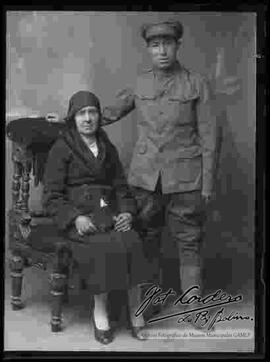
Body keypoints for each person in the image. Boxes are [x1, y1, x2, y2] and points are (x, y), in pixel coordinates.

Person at [101, 20, 218, 321]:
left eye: (167, 43)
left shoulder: (196, 83)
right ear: (148, 49)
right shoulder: (140, 83)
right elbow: (109, 113)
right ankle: (150, 302)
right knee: (146, 241)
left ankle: (193, 308)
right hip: (146, 179)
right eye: (155, 45)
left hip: (187, 179)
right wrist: (70, 116)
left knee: (189, 241)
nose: (162, 50)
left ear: (178, 45)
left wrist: (207, 183)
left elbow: (210, 136)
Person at [42, 91, 151, 344]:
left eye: (93, 112)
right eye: (82, 113)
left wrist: (126, 211)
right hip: (79, 220)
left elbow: (121, 186)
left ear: (99, 116)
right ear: (73, 118)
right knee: (102, 247)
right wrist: (74, 218)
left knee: (133, 241)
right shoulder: (62, 147)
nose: (88, 119)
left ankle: (137, 314)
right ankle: (100, 313)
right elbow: (52, 196)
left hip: (107, 214)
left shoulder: (106, 146)